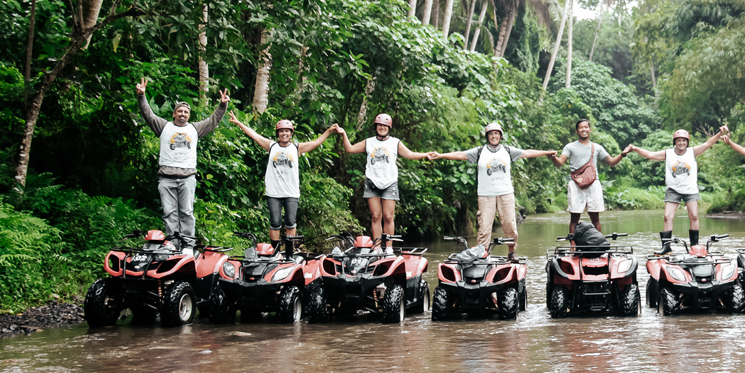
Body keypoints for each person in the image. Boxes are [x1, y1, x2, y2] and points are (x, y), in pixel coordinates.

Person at [428, 123, 556, 258]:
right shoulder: (479, 151)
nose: (493, 136)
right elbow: (461, 155)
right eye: (491, 134)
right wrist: (441, 155)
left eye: (496, 133)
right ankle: (481, 254)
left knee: (509, 225)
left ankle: (512, 252)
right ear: (487, 136)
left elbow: (527, 152)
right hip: (485, 195)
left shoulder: (508, 150)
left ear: (500, 136)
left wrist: (546, 153)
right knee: (484, 227)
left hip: (505, 193)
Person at [135, 77, 229, 246]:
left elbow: (213, 120)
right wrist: (141, 96)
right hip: (166, 178)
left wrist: (222, 105)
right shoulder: (163, 126)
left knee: (186, 212)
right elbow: (147, 114)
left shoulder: (195, 129)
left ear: (189, 115)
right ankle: (172, 243)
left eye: (186, 112)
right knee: (169, 212)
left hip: (187, 178)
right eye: (179, 111)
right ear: (174, 114)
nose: (182, 114)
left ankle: (188, 244)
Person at [229, 114, 338, 244]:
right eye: (281, 131)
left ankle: (289, 252)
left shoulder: (297, 148)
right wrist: (239, 123)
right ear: (278, 133)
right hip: (273, 191)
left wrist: (329, 131)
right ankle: (275, 252)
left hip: (291, 192)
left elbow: (316, 142)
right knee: (275, 222)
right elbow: (254, 135)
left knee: (290, 222)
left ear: (291, 133)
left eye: (287, 131)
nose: (284, 133)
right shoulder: (271, 146)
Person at [626, 125, 728, 252]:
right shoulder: (668, 153)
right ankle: (666, 246)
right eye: (679, 140)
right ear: (675, 142)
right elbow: (650, 155)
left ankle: (694, 246)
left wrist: (719, 134)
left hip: (690, 190)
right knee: (667, 217)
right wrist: (634, 148)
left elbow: (708, 143)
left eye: (684, 140)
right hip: (673, 189)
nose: (681, 143)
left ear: (687, 142)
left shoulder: (692, 152)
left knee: (694, 216)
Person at [337, 113, 429, 246]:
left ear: (389, 128)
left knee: (388, 216)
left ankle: (389, 249)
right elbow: (349, 149)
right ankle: (377, 247)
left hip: (389, 182)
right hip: (372, 182)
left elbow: (410, 154)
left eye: (385, 126)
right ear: (376, 127)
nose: (382, 128)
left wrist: (426, 155)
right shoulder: (369, 142)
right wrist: (344, 134)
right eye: (380, 125)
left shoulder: (395, 142)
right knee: (375, 216)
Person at [549, 119, 628, 234]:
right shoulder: (570, 147)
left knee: (595, 217)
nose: (584, 129)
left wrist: (622, 154)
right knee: (574, 218)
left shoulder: (597, 148)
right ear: (577, 131)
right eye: (581, 127)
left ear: (590, 130)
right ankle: (573, 247)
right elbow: (560, 163)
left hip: (593, 183)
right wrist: (552, 157)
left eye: (586, 127)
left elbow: (611, 162)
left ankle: (599, 244)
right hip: (576, 184)